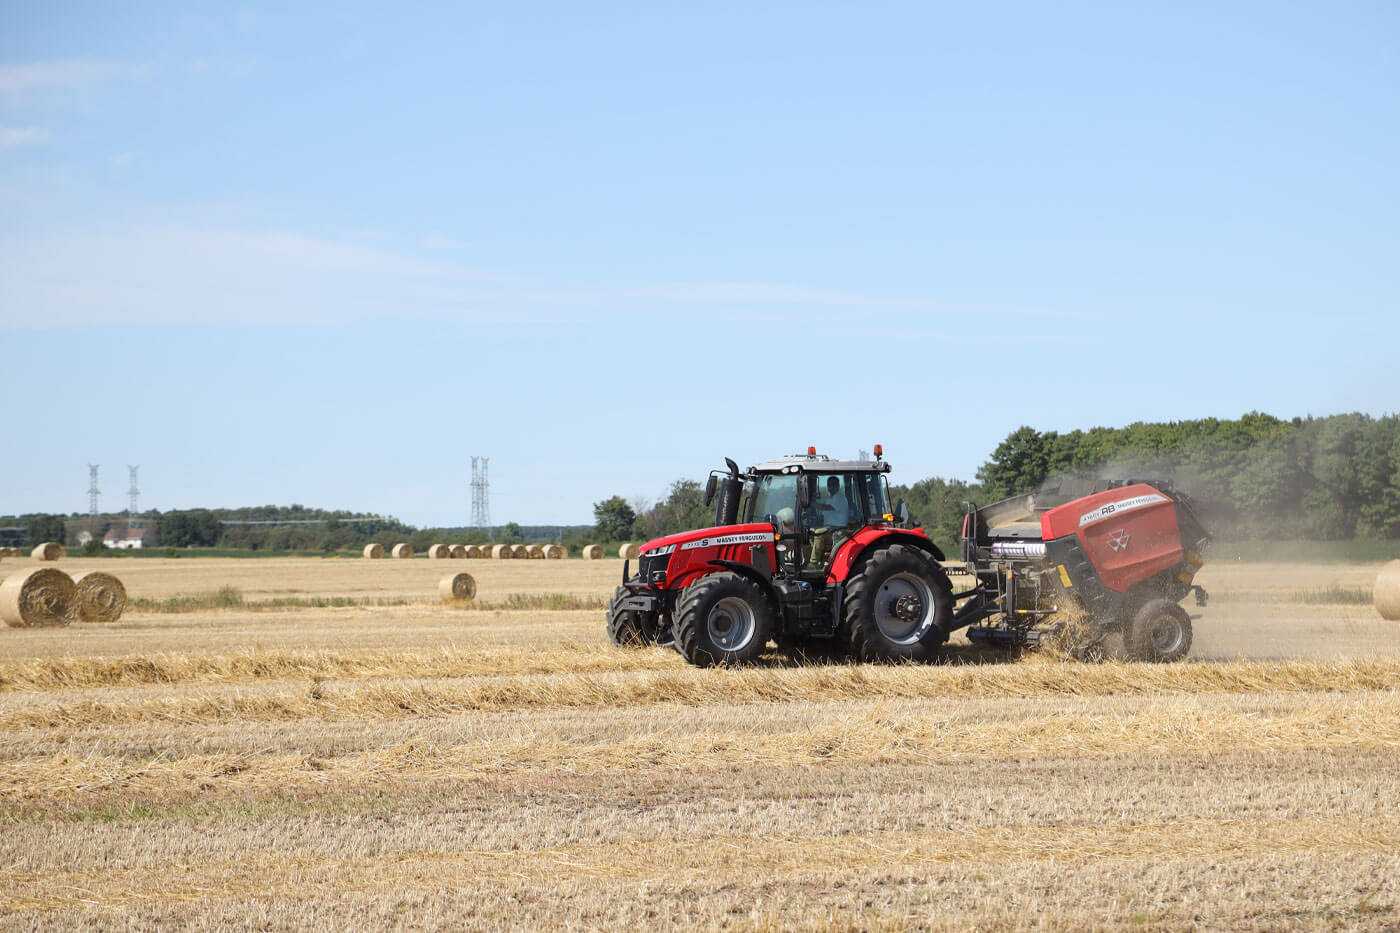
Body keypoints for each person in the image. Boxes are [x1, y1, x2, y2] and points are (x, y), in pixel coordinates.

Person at [809, 476, 850, 565]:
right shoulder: (829, 498)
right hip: (829, 527)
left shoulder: (839, 497)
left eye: (833, 485)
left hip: (838, 529)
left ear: (838, 486)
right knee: (809, 531)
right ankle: (811, 558)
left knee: (818, 533)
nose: (831, 487)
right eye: (829, 485)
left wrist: (812, 504)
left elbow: (827, 508)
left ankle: (813, 563)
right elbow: (827, 513)